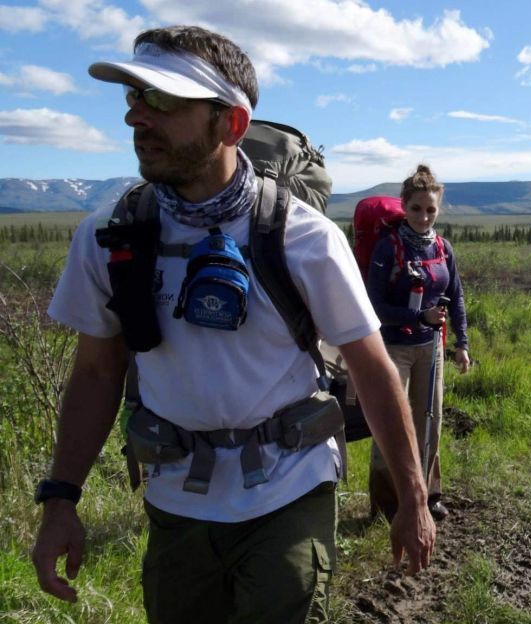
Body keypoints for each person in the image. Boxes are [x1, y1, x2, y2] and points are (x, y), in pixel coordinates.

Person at [30, 25, 434, 623]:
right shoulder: (109, 237)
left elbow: (373, 370)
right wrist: (60, 499)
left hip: (289, 491)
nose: (137, 118)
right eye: (134, 99)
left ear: (231, 124)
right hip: (175, 502)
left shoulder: (304, 239)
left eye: (162, 101)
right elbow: (95, 372)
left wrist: (413, 497)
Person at [367, 165, 470, 522]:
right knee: (392, 423)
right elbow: (374, 307)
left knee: (431, 420)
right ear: (403, 206)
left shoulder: (443, 248)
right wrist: (418, 318)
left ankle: (428, 495)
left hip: (432, 349)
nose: (424, 217)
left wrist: (462, 343)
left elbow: (455, 297)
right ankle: (386, 505)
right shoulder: (387, 248)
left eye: (431, 210)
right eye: (416, 209)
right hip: (393, 348)